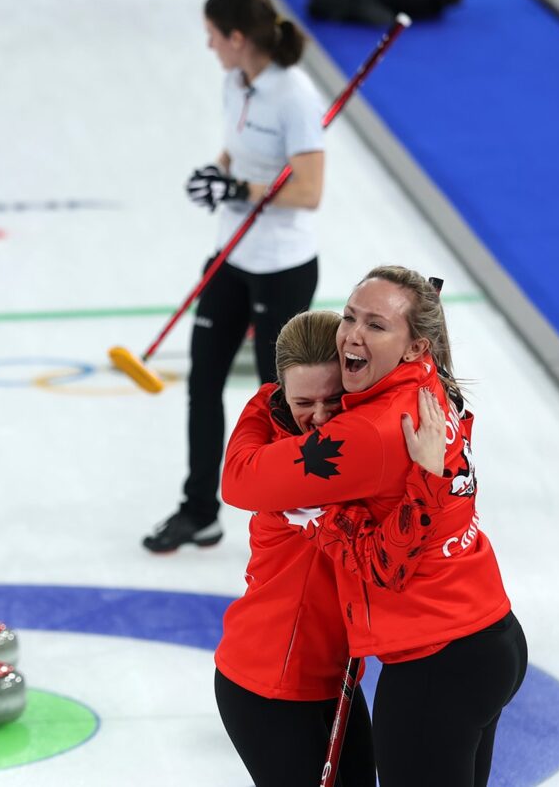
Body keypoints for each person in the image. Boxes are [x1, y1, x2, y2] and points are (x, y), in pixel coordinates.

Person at [223, 266, 528, 787]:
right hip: (487, 635)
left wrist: (322, 515)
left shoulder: (364, 434)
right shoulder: (430, 384)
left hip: (437, 657)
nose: (354, 335)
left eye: (377, 325)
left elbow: (239, 481)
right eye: (349, 317)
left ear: (414, 347)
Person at [145, 0, 326, 553]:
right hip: (230, 255)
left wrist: (239, 188)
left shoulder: (295, 95)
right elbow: (235, 152)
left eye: (213, 37)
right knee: (204, 384)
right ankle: (200, 508)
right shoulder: (235, 82)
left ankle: (285, 510)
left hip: (281, 264)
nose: (209, 47)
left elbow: (309, 191)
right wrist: (216, 173)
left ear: (238, 37)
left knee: (278, 395)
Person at [214, 311, 375, 787]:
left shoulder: (290, 428)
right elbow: (236, 476)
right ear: (281, 393)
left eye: (334, 399)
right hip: (271, 684)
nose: (322, 418)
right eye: (304, 401)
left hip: (332, 675)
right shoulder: (293, 470)